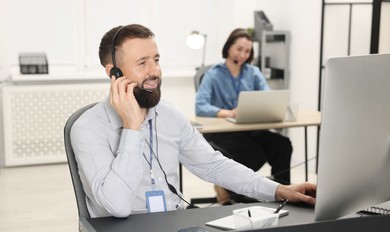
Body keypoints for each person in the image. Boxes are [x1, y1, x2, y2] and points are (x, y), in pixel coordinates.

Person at [71, 24, 316, 218]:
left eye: (156, 59)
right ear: (113, 73)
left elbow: (214, 165)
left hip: (173, 222)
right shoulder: (88, 128)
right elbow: (118, 206)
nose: (154, 71)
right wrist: (132, 127)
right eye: (142, 63)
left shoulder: (168, 115)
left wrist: (277, 190)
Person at [195, 28, 293, 204]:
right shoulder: (213, 74)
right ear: (229, 47)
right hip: (224, 132)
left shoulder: (253, 72)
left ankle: (282, 192)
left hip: (249, 128)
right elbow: (200, 105)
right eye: (239, 49)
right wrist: (227, 113)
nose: (243, 54)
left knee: (282, 145)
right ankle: (230, 189)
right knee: (253, 152)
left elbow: (268, 97)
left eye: (247, 51)